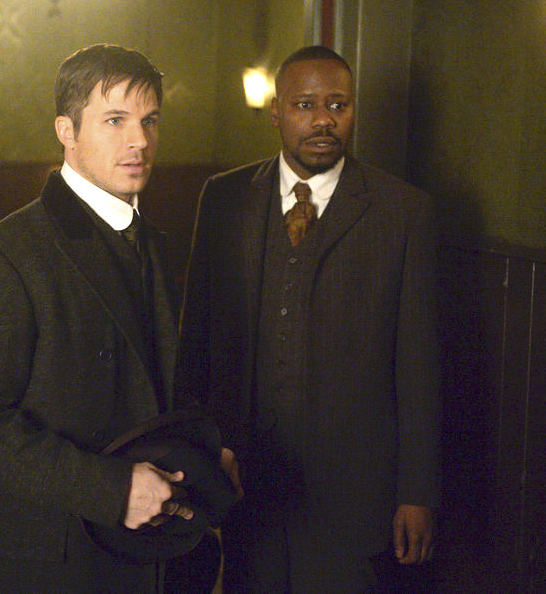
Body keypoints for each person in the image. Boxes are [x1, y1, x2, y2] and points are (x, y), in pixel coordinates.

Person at [0, 43, 200, 592]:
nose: (139, 140)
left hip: (153, 554)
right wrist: (112, 490)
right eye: (115, 120)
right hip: (50, 561)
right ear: (66, 131)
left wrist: (207, 455)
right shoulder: (4, 256)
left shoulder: (155, 242)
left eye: (150, 121)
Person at [178, 45, 440, 591]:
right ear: (276, 112)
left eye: (338, 105)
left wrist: (416, 492)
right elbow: (195, 342)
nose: (324, 119)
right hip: (245, 484)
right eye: (305, 105)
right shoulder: (224, 198)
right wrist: (195, 460)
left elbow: (419, 368)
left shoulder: (403, 211)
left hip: (353, 496)